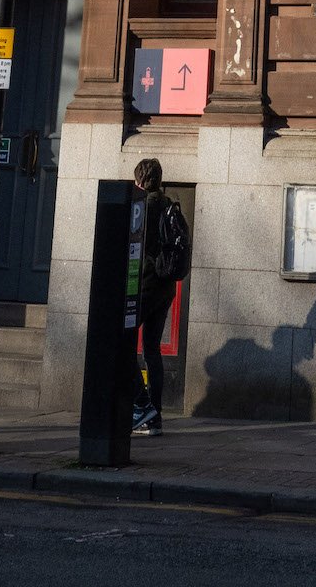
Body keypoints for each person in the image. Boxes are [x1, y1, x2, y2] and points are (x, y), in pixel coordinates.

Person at [130, 156, 190, 435]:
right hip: (165, 289)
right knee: (152, 350)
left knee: (120, 344)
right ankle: (155, 417)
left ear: (139, 180)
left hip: (143, 287)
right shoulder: (169, 205)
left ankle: (142, 405)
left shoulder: (143, 206)